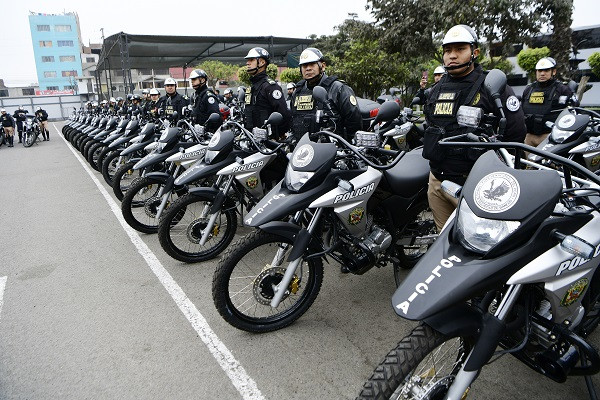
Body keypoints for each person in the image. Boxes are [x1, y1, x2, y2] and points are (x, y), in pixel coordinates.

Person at [422, 24, 526, 231]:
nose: (452, 56)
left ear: (475, 52)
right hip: (437, 181)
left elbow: (516, 132)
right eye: (448, 51)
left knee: (480, 242)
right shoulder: (436, 89)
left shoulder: (492, 86)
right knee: (443, 238)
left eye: (460, 49)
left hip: (476, 184)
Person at [290, 47, 362, 141]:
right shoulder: (298, 91)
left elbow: (354, 121)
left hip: (333, 150)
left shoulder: (337, 88)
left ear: (323, 66)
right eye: (304, 65)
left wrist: (346, 147)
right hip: (303, 149)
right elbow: (293, 119)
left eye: (312, 64)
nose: (308, 68)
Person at [521, 57, 579, 147]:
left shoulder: (562, 89)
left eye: (546, 70)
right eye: (539, 71)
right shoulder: (528, 89)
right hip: (529, 138)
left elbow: (574, 111)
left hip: (550, 138)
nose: (542, 73)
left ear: (554, 72)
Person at [244, 47, 291, 136]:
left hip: (268, 143)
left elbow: (284, 114)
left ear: (262, 62)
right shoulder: (252, 87)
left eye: (251, 60)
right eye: (248, 60)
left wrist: (277, 136)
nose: (247, 63)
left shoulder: (270, 86)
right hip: (251, 140)